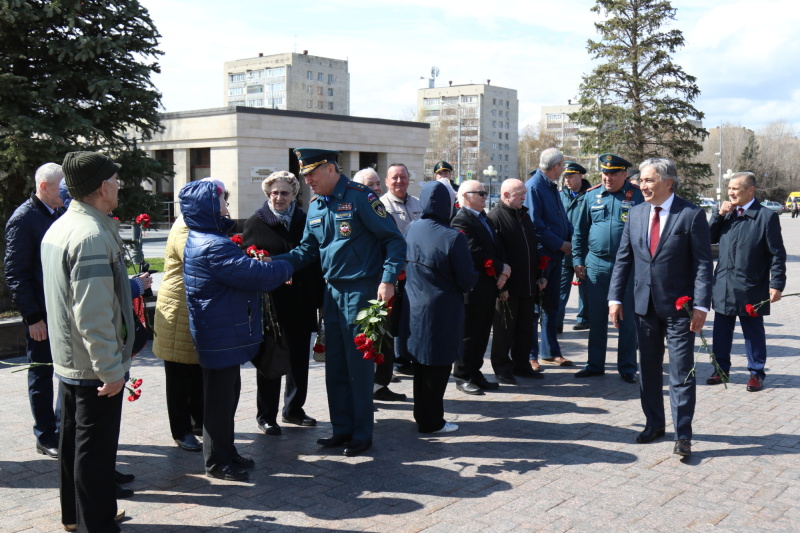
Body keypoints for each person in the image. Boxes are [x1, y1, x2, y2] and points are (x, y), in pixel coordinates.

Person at [271, 148, 406, 457]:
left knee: (358, 365)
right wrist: (271, 264)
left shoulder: (361, 197)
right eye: (304, 176)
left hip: (361, 291)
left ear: (331, 169)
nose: (307, 182)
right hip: (331, 295)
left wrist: (387, 279)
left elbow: (394, 241)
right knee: (336, 366)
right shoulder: (317, 205)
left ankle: (361, 433)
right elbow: (306, 251)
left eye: (311, 174)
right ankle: (341, 428)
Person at [41, 151, 131, 531]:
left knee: (74, 444)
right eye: (114, 178)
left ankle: (74, 517)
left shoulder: (66, 225)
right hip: (92, 364)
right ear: (100, 187)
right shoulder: (91, 234)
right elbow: (92, 314)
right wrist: (110, 369)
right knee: (94, 451)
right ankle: (96, 523)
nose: (118, 184)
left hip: (71, 358)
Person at [181, 180, 293, 481]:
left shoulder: (204, 237)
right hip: (220, 337)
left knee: (227, 397)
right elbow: (255, 275)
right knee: (219, 403)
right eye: (222, 205)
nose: (227, 210)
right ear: (208, 210)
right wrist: (287, 265)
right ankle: (217, 462)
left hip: (220, 333)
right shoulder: (213, 245)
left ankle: (226, 451)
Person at [608, 157, 713, 457]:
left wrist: (701, 304)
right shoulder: (637, 213)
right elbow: (624, 260)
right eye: (641, 180)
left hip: (681, 310)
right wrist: (615, 299)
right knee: (649, 370)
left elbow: (704, 264)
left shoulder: (691, 215)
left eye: (649, 180)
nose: (642, 185)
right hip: (644, 308)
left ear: (668, 182)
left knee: (681, 373)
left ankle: (683, 435)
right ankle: (654, 424)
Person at [242, 171, 325, 435]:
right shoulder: (256, 222)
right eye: (274, 192)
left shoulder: (304, 219)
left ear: (294, 195)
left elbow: (314, 257)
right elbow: (249, 261)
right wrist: (274, 273)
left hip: (301, 300)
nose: (279, 197)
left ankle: (294, 409)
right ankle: (266, 415)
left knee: (300, 359)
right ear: (268, 194)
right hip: (272, 303)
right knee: (271, 356)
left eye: (285, 192)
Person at [152, 180, 229, 453]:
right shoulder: (186, 226)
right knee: (179, 375)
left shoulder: (198, 223)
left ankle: (197, 423)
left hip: (193, 308)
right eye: (222, 199)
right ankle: (181, 430)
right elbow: (204, 260)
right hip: (179, 311)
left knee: (195, 371)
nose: (225, 205)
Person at [399, 181, 477, 432]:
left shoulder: (411, 227)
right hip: (442, 310)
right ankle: (432, 421)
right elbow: (466, 280)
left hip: (414, 307)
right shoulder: (453, 237)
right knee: (439, 366)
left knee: (421, 365)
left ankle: (421, 415)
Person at [4, 162, 64, 459]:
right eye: (60, 187)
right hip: (41, 315)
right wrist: (33, 318)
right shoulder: (24, 219)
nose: (65, 192)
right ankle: (45, 435)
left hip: (62, 311)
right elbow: (16, 273)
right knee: (42, 375)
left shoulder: (60, 213)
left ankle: (64, 428)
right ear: (44, 187)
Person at [707, 172, 786, 392]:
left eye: (736, 188)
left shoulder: (765, 217)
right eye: (729, 188)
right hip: (723, 283)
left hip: (752, 286)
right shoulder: (727, 215)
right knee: (721, 332)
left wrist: (777, 284)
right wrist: (718, 215)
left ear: (750, 190)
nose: (730, 192)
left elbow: (777, 254)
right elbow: (707, 238)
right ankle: (720, 369)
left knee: (753, 333)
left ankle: (756, 373)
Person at [573, 154, 644, 384]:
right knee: (597, 317)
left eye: (613, 174)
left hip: (627, 267)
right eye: (605, 173)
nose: (608, 178)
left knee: (627, 319)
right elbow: (580, 232)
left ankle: (627, 367)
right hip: (597, 265)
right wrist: (578, 260)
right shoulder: (592, 196)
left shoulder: (638, 197)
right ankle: (594, 364)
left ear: (625, 174)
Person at [352, 167, 407, 402]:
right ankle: (363, 388)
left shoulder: (383, 213)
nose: (375, 188)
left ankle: (380, 384)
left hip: (384, 285)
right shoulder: (353, 211)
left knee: (385, 335)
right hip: (360, 286)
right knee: (365, 337)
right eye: (369, 184)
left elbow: (393, 246)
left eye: (377, 184)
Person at [451, 180, 510, 394]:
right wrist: (500, 267)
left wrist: (503, 269)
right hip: (472, 288)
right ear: (466, 196)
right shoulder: (461, 220)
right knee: (469, 334)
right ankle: (462, 375)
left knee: (482, 333)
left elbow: (496, 247)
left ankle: (475, 372)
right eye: (481, 193)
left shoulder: (483, 217)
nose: (485, 197)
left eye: (486, 193)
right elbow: (473, 251)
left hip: (488, 285)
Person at [488, 179, 545, 383]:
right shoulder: (495, 217)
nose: (523, 196)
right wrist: (499, 284)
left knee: (525, 328)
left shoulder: (523, 215)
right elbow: (494, 253)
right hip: (507, 287)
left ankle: (522, 364)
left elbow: (532, 248)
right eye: (519, 193)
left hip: (528, 283)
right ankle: (502, 367)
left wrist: (540, 275)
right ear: (505, 195)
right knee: (504, 329)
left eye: (524, 193)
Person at [524, 148, 573, 368]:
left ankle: (551, 351)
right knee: (537, 307)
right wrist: (559, 243)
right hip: (543, 255)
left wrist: (570, 235)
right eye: (562, 165)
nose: (563, 169)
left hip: (555, 255)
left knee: (551, 306)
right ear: (555, 167)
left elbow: (560, 217)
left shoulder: (551, 186)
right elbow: (535, 225)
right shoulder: (535, 186)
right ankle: (531, 355)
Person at [379, 163, 422, 378]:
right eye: (394, 178)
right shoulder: (381, 205)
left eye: (403, 177)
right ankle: (394, 360)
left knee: (410, 316)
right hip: (394, 270)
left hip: (416, 271)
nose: (399, 181)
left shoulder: (417, 204)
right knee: (393, 317)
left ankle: (405, 357)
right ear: (386, 181)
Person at [557, 162, 591, 333]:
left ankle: (584, 318)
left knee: (584, 287)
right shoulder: (560, 195)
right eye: (565, 177)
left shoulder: (591, 195)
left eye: (571, 176)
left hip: (584, 250)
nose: (567, 180)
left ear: (580, 176)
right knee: (560, 288)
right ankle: (557, 321)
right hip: (564, 249)